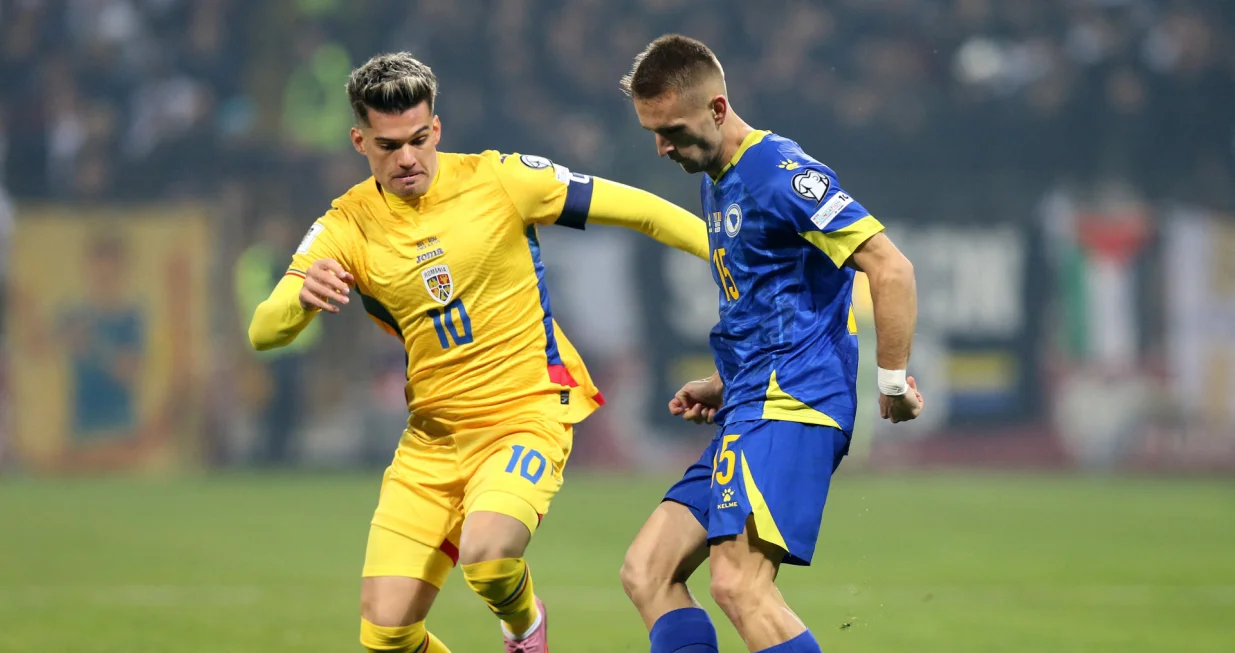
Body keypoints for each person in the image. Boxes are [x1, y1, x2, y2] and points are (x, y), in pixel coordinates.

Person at [247, 52, 709, 653]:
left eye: (418, 139)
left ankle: (524, 629)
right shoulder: (346, 225)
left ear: (436, 128)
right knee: (386, 633)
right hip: (432, 441)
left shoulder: (501, 180)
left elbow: (642, 210)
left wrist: (727, 257)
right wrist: (301, 297)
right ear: (360, 140)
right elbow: (263, 330)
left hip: (525, 415)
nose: (408, 158)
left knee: (488, 558)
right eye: (389, 146)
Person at [617, 35, 924, 653]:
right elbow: (771, 305)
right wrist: (724, 382)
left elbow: (891, 267)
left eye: (672, 129)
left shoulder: (783, 174)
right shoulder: (716, 175)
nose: (662, 147)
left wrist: (893, 380)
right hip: (749, 401)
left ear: (719, 108)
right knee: (648, 570)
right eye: (653, 131)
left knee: (738, 584)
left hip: (792, 403)